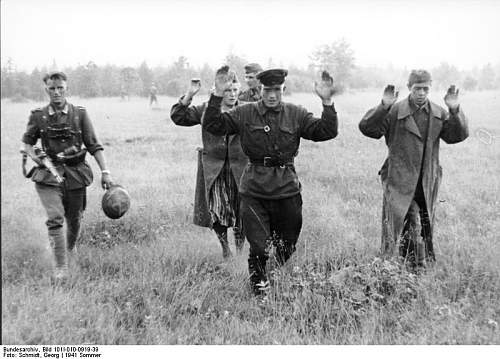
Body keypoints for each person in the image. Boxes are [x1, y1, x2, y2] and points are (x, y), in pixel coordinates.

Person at [202, 68, 339, 297]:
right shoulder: (245, 113)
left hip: (286, 188)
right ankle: (259, 291)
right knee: (259, 245)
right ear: (260, 89)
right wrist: (217, 95)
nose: (272, 95)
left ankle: (273, 273)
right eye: (268, 90)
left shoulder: (296, 113)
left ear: (283, 89)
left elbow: (326, 131)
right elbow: (214, 125)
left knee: (288, 244)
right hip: (255, 190)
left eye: (277, 90)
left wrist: (327, 102)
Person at [359, 69, 469, 269]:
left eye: (425, 88)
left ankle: (408, 266)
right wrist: (383, 106)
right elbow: (368, 129)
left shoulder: (438, 113)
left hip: (426, 181)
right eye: (417, 88)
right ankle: (415, 268)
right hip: (400, 180)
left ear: (430, 89)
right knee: (407, 223)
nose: (421, 93)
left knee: (423, 226)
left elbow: (456, 136)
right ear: (409, 88)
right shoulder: (394, 111)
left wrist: (454, 110)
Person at [21, 71, 114, 281]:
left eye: (60, 88)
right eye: (52, 88)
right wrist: (37, 157)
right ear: (46, 90)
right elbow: (27, 144)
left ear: (66, 88)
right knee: (55, 219)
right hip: (48, 177)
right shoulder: (38, 116)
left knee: (74, 220)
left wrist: (105, 172)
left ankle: (69, 251)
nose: (56, 92)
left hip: (75, 174)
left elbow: (94, 145)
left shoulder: (79, 114)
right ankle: (61, 268)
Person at [170, 67, 247, 258]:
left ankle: (239, 249)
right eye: (227, 90)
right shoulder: (206, 109)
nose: (232, 94)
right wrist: (190, 94)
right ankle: (225, 249)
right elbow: (178, 117)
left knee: (242, 210)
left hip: (241, 169)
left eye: (235, 90)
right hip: (215, 169)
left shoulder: (247, 109)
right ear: (218, 90)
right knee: (217, 209)